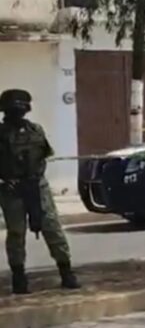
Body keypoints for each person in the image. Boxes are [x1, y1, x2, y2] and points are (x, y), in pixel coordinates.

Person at [0, 89, 80, 294]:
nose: (17, 112)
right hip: (11, 188)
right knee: (16, 233)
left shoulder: (35, 130)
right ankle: (19, 277)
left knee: (52, 228)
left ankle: (66, 272)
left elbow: (44, 154)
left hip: (37, 185)